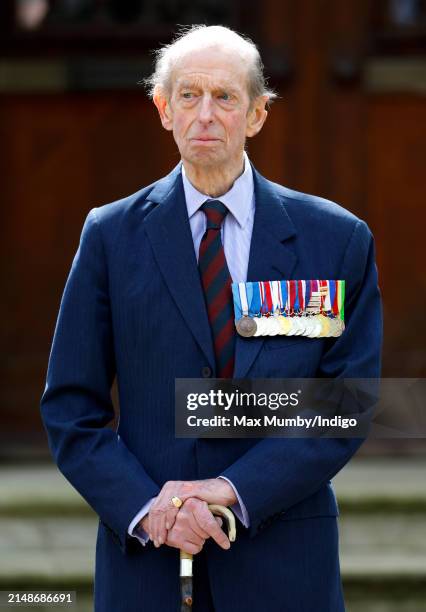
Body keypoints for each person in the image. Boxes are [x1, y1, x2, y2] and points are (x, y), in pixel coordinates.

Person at [40, 24, 382, 612]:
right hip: (147, 570)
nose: (205, 114)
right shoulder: (110, 237)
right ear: (163, 109)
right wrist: (153, 513)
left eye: (224, 97)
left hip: (285, 566)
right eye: (188, 95)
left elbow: (343, 402)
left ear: (256, 114)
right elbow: (72, 408)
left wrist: (232, 490)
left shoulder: (336, 240)